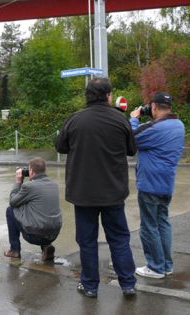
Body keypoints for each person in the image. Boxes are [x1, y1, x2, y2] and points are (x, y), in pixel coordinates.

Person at [54, 77, 137, 298]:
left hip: (83, 194)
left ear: (87, 95)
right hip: (113, 192)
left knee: (87, 241)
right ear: (109, 95)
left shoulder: (74, 120)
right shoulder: (120, 120)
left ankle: (90, 286)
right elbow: (132, 149)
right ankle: (128, 283)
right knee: (119, 238)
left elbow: (60, 146)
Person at [130, 92, 185, 279]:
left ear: (153, 107)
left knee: (148, 227)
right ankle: (166, 265)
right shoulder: (179, 125)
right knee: (163, 224)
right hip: (166, 184)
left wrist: (134, 119)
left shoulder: (155, 128)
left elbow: (131, 139)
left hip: (150, 185)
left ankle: (155, 267)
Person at [4, 157, 62, 261]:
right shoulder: (54, 185)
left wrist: (18, 182)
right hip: (53, 234)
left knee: (10, 210)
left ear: (31, 171)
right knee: (41, 211)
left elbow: (13, 202)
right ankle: (46, 247)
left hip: (35, 236)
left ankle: (14, 250)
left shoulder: (29, 187)